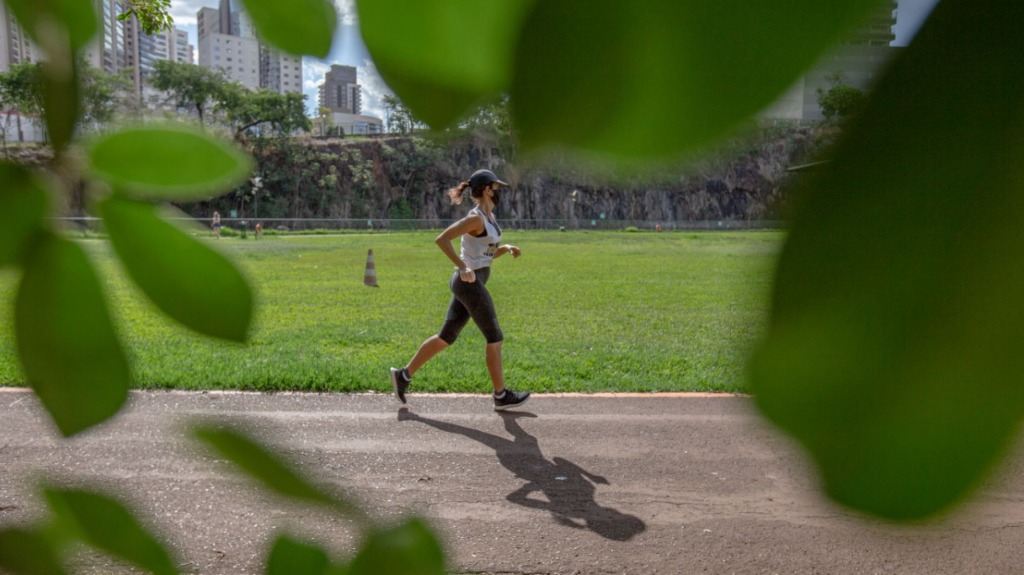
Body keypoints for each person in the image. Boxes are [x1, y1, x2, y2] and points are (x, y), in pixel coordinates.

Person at [391, 169, 530, 411]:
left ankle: (403, 376)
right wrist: (462, 266)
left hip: (472, 281)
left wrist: (505, 248)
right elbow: (442, 239)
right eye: (496, 188)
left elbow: (485, 254)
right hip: (469, 283)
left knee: (446, 337)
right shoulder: (475, 218)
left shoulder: (490, 218)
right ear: (487, 189)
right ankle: (500, 395)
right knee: (494, 336)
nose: (498, 192)